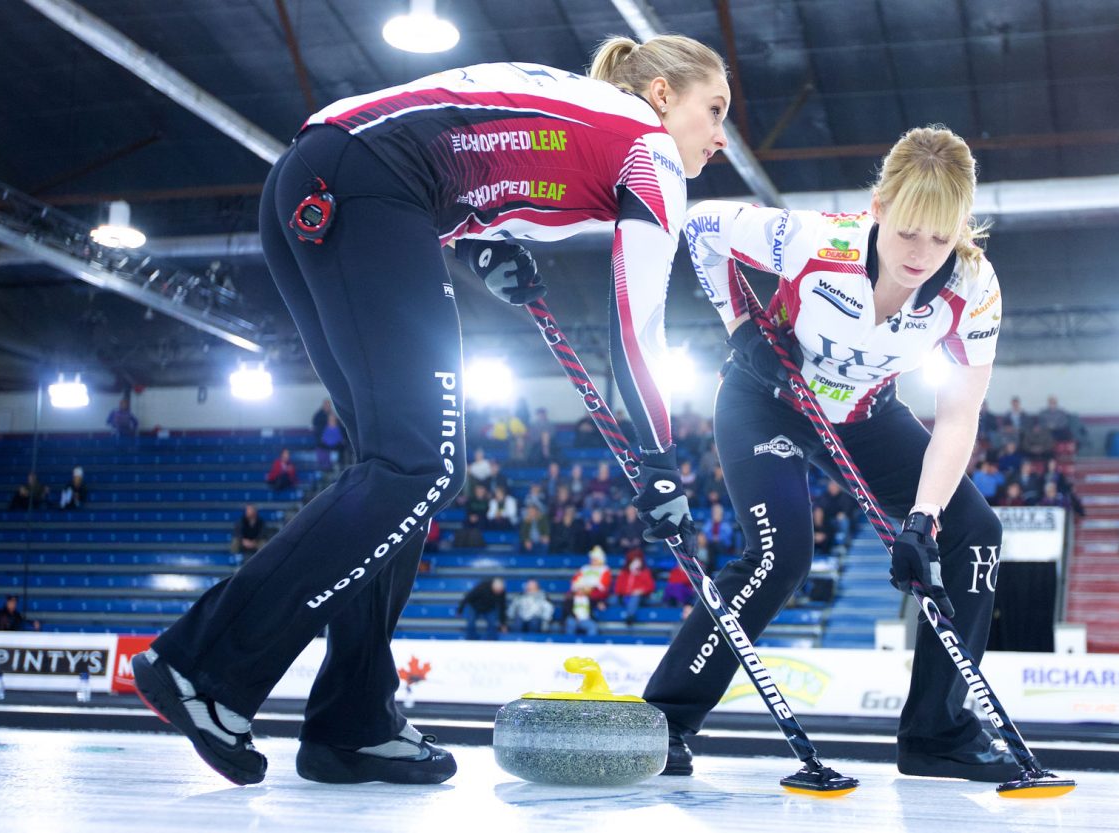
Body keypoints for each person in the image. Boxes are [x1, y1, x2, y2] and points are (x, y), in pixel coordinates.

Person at [131, 36, 723, 788]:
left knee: (401, 475)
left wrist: (479, 248)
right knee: (419, 466)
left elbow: (457, 147)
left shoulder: (580, 114)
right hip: (365, 189)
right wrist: (660, 460)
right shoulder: (649, 146)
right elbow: (637, 325)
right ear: (664, 94)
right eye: (715, 109)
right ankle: (200, 665)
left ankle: (354, 723)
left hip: (320, 178)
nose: (721, 135)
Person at [651, 125, 1017, 782]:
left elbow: (959, 414)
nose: (921, 253)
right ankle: (663, 722)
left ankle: (937, 733)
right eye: (907, 230)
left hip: (865, 416)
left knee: (976, 532)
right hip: (768, 396)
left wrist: (924, 518)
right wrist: (743, 331)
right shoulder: (817, 240)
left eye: (941, 236)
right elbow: (704, 227)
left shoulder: (974, 287)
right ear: (877, 209)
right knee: (780, 554)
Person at [613, 555, 656, 626]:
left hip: (641, 598)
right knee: (611, 599)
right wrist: (628, 592)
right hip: (624, 596)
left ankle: (630, 617)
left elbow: (650, 587)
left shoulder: (644, 573)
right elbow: (618, 589)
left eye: (638, 563)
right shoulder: (624, 574)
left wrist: (641, 590)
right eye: (634, 563)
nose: (636, 565)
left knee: (635, 597)